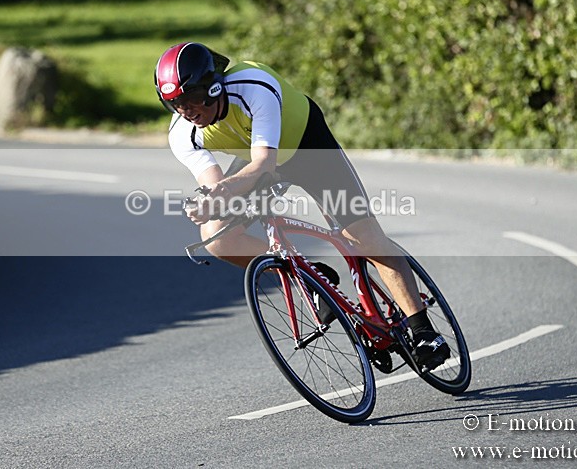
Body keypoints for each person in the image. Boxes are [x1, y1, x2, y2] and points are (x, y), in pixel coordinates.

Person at [155, 42, 449, 369]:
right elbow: (214, 183)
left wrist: (220, 193)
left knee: (361, 236)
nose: (186, 110)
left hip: (308, 148)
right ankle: (310, 277)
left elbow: (264, 165)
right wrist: (208, 203)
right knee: (218, 236)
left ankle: (422, 330)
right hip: (256, 162)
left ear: (213, 86)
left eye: (192, 98)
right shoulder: (183, 133)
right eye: (175, 104)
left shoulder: (253, 86)